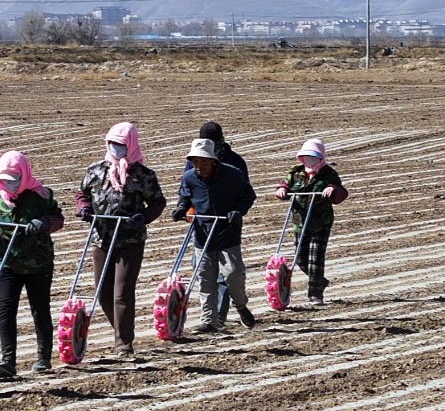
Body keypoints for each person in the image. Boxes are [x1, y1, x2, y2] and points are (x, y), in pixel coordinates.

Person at [0, 151, 64, 378]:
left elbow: (58, 220)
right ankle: (8, 360)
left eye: (14, 180)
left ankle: (43, 358)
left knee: (40, 310)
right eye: (5, 180)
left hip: (38, 262)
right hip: (6, 261)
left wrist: (44, 222)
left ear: (24, 174)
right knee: (6, 310)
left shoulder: (41, 195)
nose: (9, 185)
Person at [75, 122, 166, 358]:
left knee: (122, 292)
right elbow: (82, 193)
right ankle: (120, 328)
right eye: (112, 144)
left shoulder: (143, 175)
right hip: (101, 238)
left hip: (130, 240)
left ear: (131, 145)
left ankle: (124, 343)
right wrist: (84, 207)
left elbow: (158, 202)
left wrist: (143, 217)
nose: (116, 148)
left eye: (121, 144)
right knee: (103, 293)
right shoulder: (95, 170)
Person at [176, 137, 257, 332]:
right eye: (195, 161)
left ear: (213, 160)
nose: (199, 165)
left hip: (227, 232)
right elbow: (185, 197)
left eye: (203, 161)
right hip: (202, 234)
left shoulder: (233, 175)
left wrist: (238, 211)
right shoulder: (189, 178)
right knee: (205, 278)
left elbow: (249, 195)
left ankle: (240, 304)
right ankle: (209, 320)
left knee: (233, 274)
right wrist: (181, 208)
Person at [273, 138, 349, 304]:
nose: (310, 161)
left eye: (314, 158)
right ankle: (320, 281)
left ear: (321, 158)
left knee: (316, 258)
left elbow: (340, 191)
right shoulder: (295, 173)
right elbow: (284, 185)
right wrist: (282, 190)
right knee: (300, 259)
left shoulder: (328, 174)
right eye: (307, 157)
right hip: (300, 222)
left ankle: (315, 294)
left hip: (320, 222)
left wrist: (332, 188)